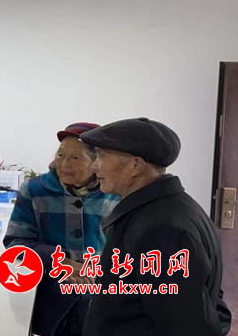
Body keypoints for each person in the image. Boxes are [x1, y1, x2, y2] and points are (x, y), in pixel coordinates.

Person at [80, 117, 231, 336]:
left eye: (101, 156)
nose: (94, 166)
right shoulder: (166, 209)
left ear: (135, 165)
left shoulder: (163, 229)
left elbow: (188, 325)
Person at [4, 122, 120, 336]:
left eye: (76, 157)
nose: (65, 164)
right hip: (48, 299)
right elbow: (15, 243)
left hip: (100, 303)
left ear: (96, 162)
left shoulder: (115, 194)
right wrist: (59, 262)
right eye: (60, 155)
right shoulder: (35, 189)